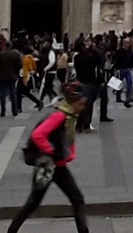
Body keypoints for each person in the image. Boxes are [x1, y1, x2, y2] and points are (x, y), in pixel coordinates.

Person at [6, 83, 90, 233]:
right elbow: (38, 134)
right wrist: (52, 151)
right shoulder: (59, 116)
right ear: (73, 103)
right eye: (81, 104)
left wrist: (69, 153)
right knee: (33, 203)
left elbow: (68, 138)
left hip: (57, 165)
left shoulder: (69, 116)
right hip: (47, 165)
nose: (83, 107)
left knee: (76, 198)